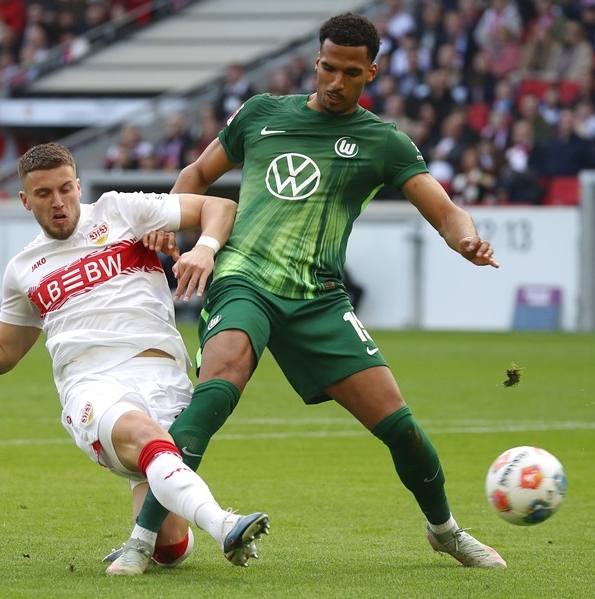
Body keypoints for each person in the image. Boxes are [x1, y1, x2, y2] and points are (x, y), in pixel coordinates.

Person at [107, 12, 505, 574]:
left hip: (319, 298)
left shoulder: (383, 141)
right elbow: (196, 176)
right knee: (216, 389)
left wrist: (466, 240)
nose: (336, 82)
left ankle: (446, 532)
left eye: (351, 73)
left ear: (371, 73)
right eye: (328, 68)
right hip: (244, 278)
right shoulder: (261, 114)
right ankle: (140, 541)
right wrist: (171, 222)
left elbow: (445, 210)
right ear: (316, 62)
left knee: (401, 429)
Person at [0, 143, 269, 576]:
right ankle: (226, 525)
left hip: (164, 377)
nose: (59, 201)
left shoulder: (121, 211)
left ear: (79, 186)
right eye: (44, 194)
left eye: (66, 189)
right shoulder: (23, 269)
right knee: (144, 436)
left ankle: (154, 536)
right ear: (25, 200)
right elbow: (4, 353)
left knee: (171, 544)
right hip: (92, 385)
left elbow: (220, 207)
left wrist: (205, 248)